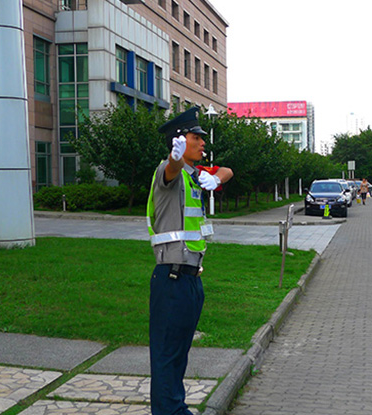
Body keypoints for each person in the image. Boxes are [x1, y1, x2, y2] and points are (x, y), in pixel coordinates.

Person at [147, 107, 233, 415]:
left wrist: (215, 177)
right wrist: (175, 159)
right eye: (197, 138)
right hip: (171, 279)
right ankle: (170, 411)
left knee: (179, 353)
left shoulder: (195, 174)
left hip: (190, 279)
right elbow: (170, 170)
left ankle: (174, 407)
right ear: (180, 141)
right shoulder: (167, 171)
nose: (203, 143)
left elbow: (228, 171)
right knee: (167, 354)